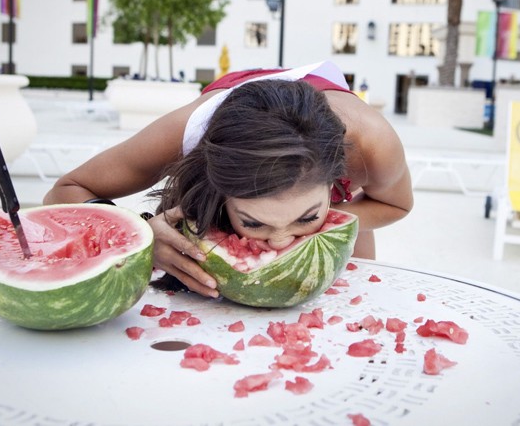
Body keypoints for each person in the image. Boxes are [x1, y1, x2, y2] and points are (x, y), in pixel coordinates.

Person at [43, 61, 413, 299]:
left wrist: (333, 225)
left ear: (337, 179)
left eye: (307, 216)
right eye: (253, 221)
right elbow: (65, 189)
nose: (283, 241)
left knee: (356, 305)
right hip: (231, 103)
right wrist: (139, 235)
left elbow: (396, 203)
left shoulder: (371, 143)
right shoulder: (180, 135)